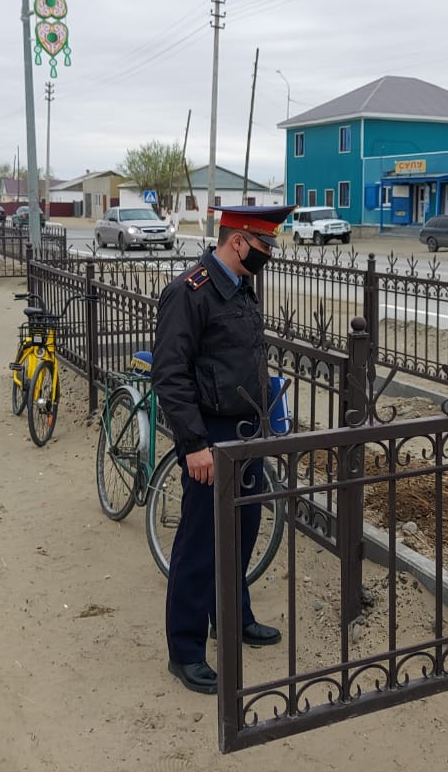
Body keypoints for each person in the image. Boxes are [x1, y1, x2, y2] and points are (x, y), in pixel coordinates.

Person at [151, 204, 295, 694]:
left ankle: (233, 616)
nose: (267, 256)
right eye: (263, 247)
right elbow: (170, 376)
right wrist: (193, 445)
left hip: (247, 432)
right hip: (210, 436)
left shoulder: (241, 288)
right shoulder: (189, 293)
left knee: (242, 530)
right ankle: (185, 649)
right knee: (200, 542)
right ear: (238, 242)